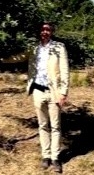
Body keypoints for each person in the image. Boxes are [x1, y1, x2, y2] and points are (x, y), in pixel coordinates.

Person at [27, 22, 69, 173]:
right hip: (38, 91)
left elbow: (64, 70)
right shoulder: (34, 48)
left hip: (53, 92)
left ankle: (55, 158)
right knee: (43, 125)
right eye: (43, 29)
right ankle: (45, 156)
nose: (45, 32)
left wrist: (63, 92)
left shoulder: (59, 47)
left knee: (55, 126)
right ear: (39, 31)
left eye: (48, 29)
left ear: (52, 31)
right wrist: (0, 58)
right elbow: (18, 57)